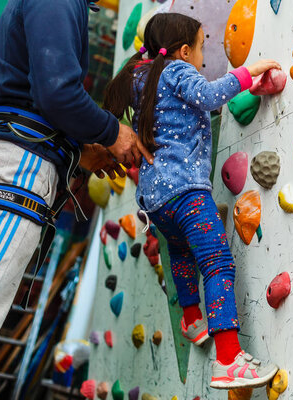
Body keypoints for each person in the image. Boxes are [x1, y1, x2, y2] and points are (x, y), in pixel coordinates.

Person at [0, 0, 153, 364]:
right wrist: (113, 132)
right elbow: (56, 93)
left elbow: (35, 95)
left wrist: (76, 147)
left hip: (10, 154)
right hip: (15, 167)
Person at [104, 13, 281, 389]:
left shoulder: (140, 76)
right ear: (185, 51)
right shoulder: (177, 72)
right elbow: (211, 95)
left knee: (182, 254)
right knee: (217, 264)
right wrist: (251, 72)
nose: (204, 56)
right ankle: (229, 359)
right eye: (203, 47)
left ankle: (192, 318)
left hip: (155, 201)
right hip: (186, 193)